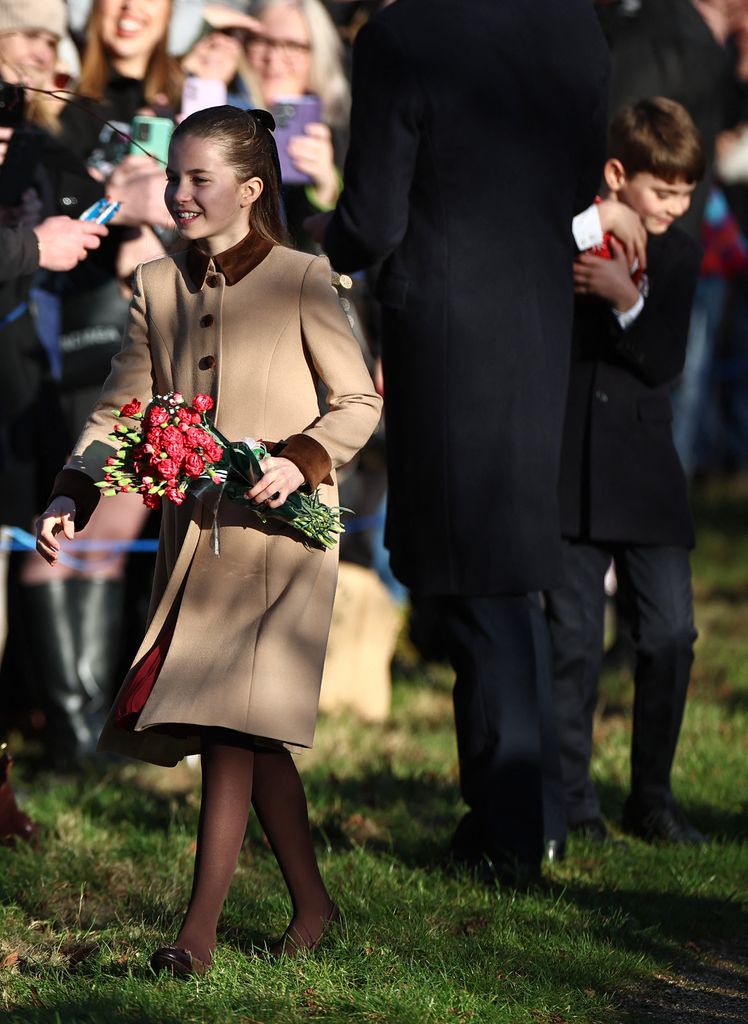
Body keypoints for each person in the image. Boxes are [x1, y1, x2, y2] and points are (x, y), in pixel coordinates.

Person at [35, 104, 381, 973]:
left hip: (284, 540)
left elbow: (359, 403)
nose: (178, 192)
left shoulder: (305, 277)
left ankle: (197, 937)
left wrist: (302, 459)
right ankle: (314, 908)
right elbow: (123, 407)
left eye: (199, 179)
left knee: (230, 720)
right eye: (174, 176)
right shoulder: (155, 285)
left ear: (251, 189)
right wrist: (74, 489)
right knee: (250, 734)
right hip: (202, 539)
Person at [318, 0, 610, 879]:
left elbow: (371, 218)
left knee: (477, 577)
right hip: (536, 310)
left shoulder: (405, 37)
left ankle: (509, 829)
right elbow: (576, 188)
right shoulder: (575, 28)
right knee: (513, 569)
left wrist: (314, 251)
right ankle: (542, 808)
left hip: (448, 327)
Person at [545, 97, 707, 846]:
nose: (674, 206)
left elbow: (667, 359)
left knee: (670, 632)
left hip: (645, 472)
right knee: (573, 639)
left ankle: (652, 795)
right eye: (661, 190)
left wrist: (627, 301)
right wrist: (605, 223)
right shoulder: (577, 223)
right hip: (570, 464)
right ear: (618, 174)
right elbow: (549, 237)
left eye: (684, 192)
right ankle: (573, 802)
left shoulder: (679, 250)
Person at [247, 0, 349, 248]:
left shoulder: (339, 133)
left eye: (292, 45)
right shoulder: (220, 112)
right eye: (262, 40)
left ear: (318, 55)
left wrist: (326, 189)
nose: (274, 57)